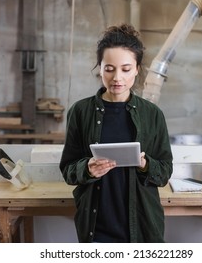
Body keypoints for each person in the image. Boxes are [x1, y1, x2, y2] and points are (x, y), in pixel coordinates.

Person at [59, 23, 173, 243]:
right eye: (109, 69)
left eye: (126, 69)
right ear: (99, 68)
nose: (117, 77)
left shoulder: (153, 114)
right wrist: (88, 169)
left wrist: (145, 164)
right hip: (95, 225)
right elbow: (68, 170)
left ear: (138, 69)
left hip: (142, 224)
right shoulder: (81, 112)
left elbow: (165, 171)